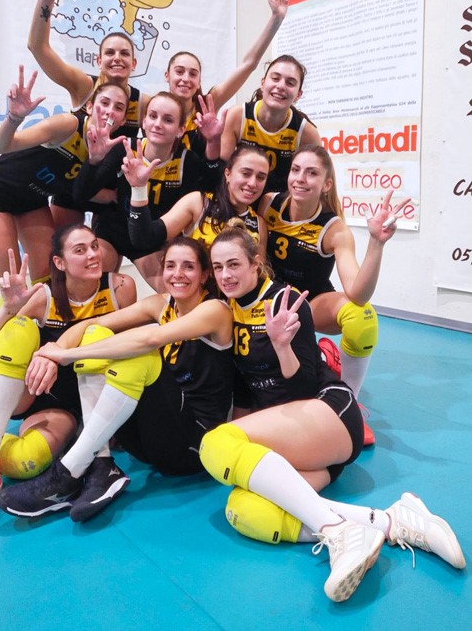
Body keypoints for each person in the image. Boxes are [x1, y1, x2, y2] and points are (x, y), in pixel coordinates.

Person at [198, 224, 465, 603]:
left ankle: (337, 532)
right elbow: (244, 389)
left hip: (329, 413)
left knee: (215, 442)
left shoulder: (285, 301)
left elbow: (304, 389)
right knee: (244, 509)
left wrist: (281, 346)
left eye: (234, 264)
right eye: (218, 266)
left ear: (256, 263)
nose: (225, 275)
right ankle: (391, 521)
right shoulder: (231, 310)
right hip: (305, 444)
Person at [0, 236, 234, 522]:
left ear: (205, 275)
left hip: (194, 446)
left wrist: (69, 355)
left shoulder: (216, 310)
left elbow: (151, 338)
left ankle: (67, 472)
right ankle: (102, 464)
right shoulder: (160, 304)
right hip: (150, 441)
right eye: (170, 266)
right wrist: (52, 353)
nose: (178, 274)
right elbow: (90, 324)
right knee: (96, 335)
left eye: (189, 267)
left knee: (141, 354)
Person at [0, 225, 136, 523]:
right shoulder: (43, 296)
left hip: (98, 394)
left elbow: (129, 349)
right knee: (25, 462)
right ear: (59, 262)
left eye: (94, 246)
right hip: (49, 399)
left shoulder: (121, 288)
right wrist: (7, 310)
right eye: (80, 250)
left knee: (97, 336)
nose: (93, 255)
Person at [258, 144, 410, 445]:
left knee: (362, 316)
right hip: (265, 302)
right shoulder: (268, 204)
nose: (300, 178)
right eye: (296, 170)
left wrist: (376, 243)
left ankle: (348, 404)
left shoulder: (334, 229)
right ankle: (324, 356)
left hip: (309, 304)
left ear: (326, 184)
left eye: (312, 173)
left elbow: (357, 293)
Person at [0, 66, 128, 281]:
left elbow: (82, 190)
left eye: (118, 107)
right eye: (104, 103)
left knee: (50, 277)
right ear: (90, 107)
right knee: (12, 279)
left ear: (123, 120)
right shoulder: (68, 125)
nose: (110, 111)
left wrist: (117, 196)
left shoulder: (110, 151)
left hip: (32, 201)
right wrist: (14, 118)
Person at [73, 91, 222, 290]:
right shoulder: (125, 148)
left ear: (181, 129)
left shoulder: (187, 161)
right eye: (152, 116)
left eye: (168, 120)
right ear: (143, 122)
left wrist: (213, 142)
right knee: (90, 286)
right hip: (113, 231)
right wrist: (93, 161)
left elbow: (212, 191)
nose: (158, 124)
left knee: (177, 290)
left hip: (151, 238)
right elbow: (80, 195)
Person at [27, 0, 148, 137]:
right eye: (110, 52)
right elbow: (38, 47)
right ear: (98, 61)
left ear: (134, 64)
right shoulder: (83, 86)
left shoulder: (143, 103)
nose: (117, 57)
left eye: (124, 53)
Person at [166, 0, 290, 156]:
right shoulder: (153, 106)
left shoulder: (208, 103)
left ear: (199, 81)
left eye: (193, 74)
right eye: (179, 71)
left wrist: (276, 18)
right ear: (167, 75)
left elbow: (249, 64)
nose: (185, 79)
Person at [123, 144, 271, 277]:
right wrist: (139, 189)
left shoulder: (259, 225)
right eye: (245, 173)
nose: (252, 183)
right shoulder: (198, 203)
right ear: (228, 174)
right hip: (195, 294)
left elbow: (258, 277)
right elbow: (145, 238)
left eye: (260, 177)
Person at [220, 55, 321, 193]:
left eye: (290, 83)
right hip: (241, 197)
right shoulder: (237, 116)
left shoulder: (307, 133)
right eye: (275, 78)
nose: (281, 86)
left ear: (298, 94)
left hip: (280, 201)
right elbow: (223, 173)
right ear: (262, 83)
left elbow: (318, 182)